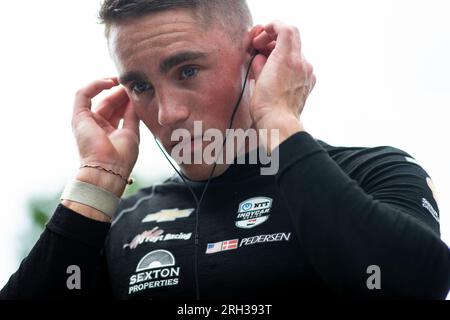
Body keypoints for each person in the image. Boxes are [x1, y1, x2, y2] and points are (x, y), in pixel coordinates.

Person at [1, 0, 449, 300]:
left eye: (188, 70)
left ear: (257, 58)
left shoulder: (374, 172)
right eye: (140, 85)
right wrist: (96, 180)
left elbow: (415, 283)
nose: (170, 112)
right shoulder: (124, 222)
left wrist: (280, 122)